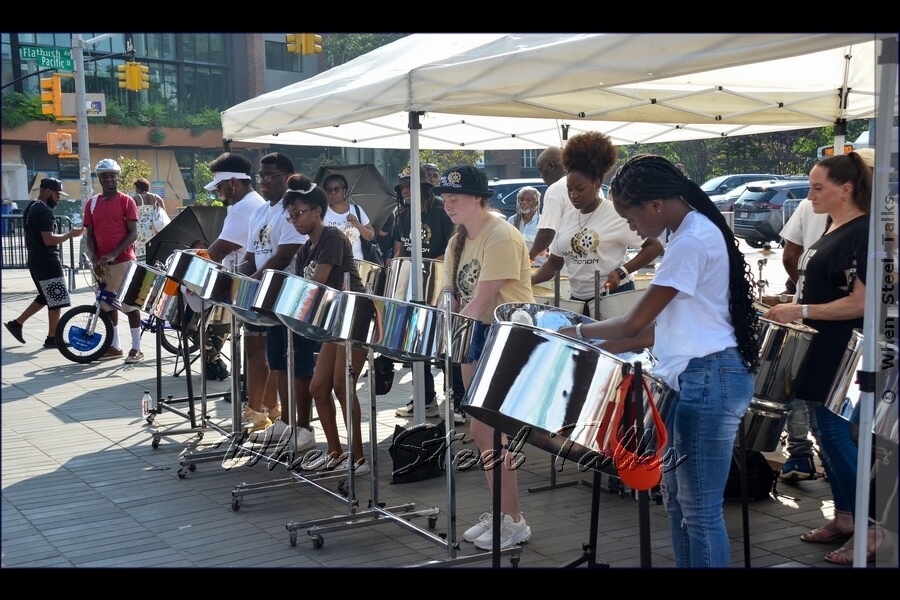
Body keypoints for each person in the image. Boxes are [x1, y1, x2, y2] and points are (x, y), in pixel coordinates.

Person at [558, 154, 761, 568]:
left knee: (699, 511)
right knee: (676, 504)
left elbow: (635, 320)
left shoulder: (690, 240)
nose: (632, 230)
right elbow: (659, 331)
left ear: (654, 205)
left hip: (708, 380)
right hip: (693, 377)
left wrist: (576, 333)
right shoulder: (687, 234)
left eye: (631, 220)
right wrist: (591, 348)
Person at [763, 151, 876, 566]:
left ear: (845, 190)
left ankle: (869, 526)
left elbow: (861, 303)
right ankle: (846, 517)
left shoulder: (862, 232)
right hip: (819, 347)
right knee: (820, 431)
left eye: (817, 188)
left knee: (832, 433)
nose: (809, 195)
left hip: (841, 350)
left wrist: (801, 311)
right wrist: (790, 302)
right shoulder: (835, 225)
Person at [435, 164, 535, 550]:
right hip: (473, 337)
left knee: (491, 431)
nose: (447, 206)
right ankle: (504, 514)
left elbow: (480, 301)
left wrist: (449, 336)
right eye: (444, 200)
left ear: (478, 199)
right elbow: (453, 295)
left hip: (504, 338)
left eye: (454, 199)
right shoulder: (458, 239)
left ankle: (513, 520)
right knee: (483, 431)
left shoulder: (501, 235)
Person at [281, 174, 371, 475]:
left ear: (317, 211)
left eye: (299, 213)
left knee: (342, 386)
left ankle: (358, 458)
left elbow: (316, 283)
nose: (294, 220)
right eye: (290, 215)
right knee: (319, 387)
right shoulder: (306, 247)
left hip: (354, 314)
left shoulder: (332, 237)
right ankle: (336, 453)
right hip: (334, 320)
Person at [530, 132, 664, 316]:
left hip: (613, 297)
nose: (573, 195)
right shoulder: (567, 219)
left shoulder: (615, 213)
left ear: (597, 184)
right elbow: (554, 262)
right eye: (569, 190)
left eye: (580, 189)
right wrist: (528, 279)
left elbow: (654, 246)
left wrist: (622, 272)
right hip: (579, 301)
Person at [240, 153, 316, 456]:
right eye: (261, 175)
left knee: (297, 363)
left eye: (269, 175)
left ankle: (304, 427)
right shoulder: (260, 212)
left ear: (287, 176)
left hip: (288, 296)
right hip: (266, 300)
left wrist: (255, 285)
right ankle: (284, 421)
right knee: (277, 362)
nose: (264, 181)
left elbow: (285, 255)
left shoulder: (291, 212)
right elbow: (250, 257)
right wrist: (238, 283)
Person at [203, 153, 269, 421]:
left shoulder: (244, 208)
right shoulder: (254, 203)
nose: (218, 192)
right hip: (252, 283)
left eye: (219, 186)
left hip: (252, 287)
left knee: (256, 351)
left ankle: (256, 411)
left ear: (232, 182)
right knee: (259, 351)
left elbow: (215, 253)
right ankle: (263, 407)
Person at [390, 165, 457, 421]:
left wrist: (426, 264)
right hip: (413, 286)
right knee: (417, 345)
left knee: (444, 347)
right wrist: (396, 266)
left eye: (410, 186)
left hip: (439, 284)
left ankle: (456, 401)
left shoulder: (442, 212)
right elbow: (399, 249)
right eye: (403, 187)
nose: (406, 191)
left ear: (424, 189)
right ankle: (425, 398)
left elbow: (453, 247)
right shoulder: (401, 214)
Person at [775, 196, 829, 481]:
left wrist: (803, 293)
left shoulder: (809, 205)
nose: (811, 193)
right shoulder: (814, 205)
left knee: (795, 382)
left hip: (808, 311)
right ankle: (832, 457)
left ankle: (801, 454)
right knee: (823, 392)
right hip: (827, 316)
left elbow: (789, 253)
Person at [5, 178, 83, 349]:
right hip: (46, 260)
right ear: (47, 191)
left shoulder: (31, 207)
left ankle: (17, 324)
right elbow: (48, 239)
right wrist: (70, 234)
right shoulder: (44, 212)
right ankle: (52, 338)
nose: (59, 198)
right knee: (57, 299)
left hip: (36, 258)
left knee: (45, 296)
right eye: (57, 194)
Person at [81, 159, 145, 364]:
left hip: (123, 260)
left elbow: (133, 233)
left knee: (129, 305)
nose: (110, 179)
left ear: (118, 177)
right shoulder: (91, 204)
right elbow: (89, 235)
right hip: (101, 263)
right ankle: (115, 346)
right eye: (105, 176)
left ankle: (137, 348)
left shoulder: (127, 201)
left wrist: (113, 254)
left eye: (113, 175)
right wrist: (94, 256)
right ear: (99, 178)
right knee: (107, 305)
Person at [529, 146, 574, 266]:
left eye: (541, 170)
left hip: (566, 267)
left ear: (551, 166)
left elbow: (546, 233)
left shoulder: (555, 189)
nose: (541, 177)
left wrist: (528, 259)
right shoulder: (590, 186)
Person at [322, 173, 375, 261]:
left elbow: (370, 236)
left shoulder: (357, 210)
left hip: (356, 262)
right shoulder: (322, 212)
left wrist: (357, 224)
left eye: (336, 189)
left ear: (344, 191)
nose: (333, 193)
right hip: (332, 261)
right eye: (329, 190)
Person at [132, 177, 169, 263]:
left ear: (138, 188)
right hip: (155, 227)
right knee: (153, 248)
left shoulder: (136, 198)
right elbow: (164, 212)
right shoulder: (157, 197)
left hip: (141, 228)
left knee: (141, 250)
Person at [508, 186, 544, 266]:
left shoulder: (543, 222)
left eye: (529, 200)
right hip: (516, 267)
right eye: (521, 199)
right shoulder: (511, 221)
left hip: (537, 267)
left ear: (536, 202)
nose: (524, 202)